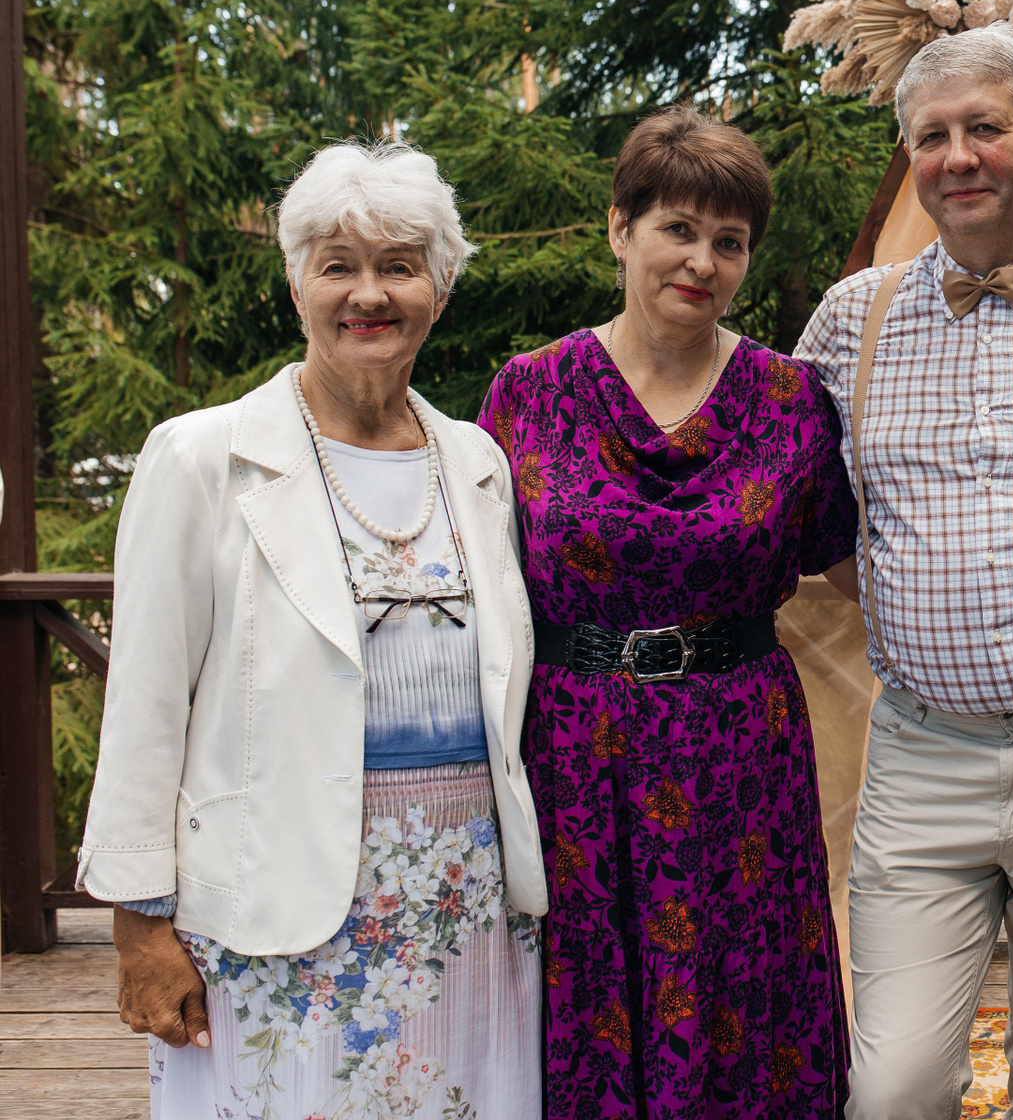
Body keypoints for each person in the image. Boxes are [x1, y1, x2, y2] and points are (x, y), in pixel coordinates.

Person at [78, 140, 547, 1118]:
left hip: (463, 912)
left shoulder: (479, 463)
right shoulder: (202, 457)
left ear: (439, 289)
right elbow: (146, 703)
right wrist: (139, 924)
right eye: (339, 266)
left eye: (399, 266)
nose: (368, 294)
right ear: (297, 284)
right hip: (274, 918)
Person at [478, 107, 857, 1118]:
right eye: (677, 230)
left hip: (741, 750)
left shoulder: (790, 400)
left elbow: (861, 568)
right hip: (575, 752)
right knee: (588, 998)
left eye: (729, 241)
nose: (702, 261)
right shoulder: (527, 394)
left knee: (745, 993)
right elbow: (471, 578)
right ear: (620, 228)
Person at [793, 25, 1013, 1120]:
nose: (958, 158)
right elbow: (784, 496)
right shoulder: (854, 318)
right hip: (919, 757)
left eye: (984, 128)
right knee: (890, 1087)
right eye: (931, 136)